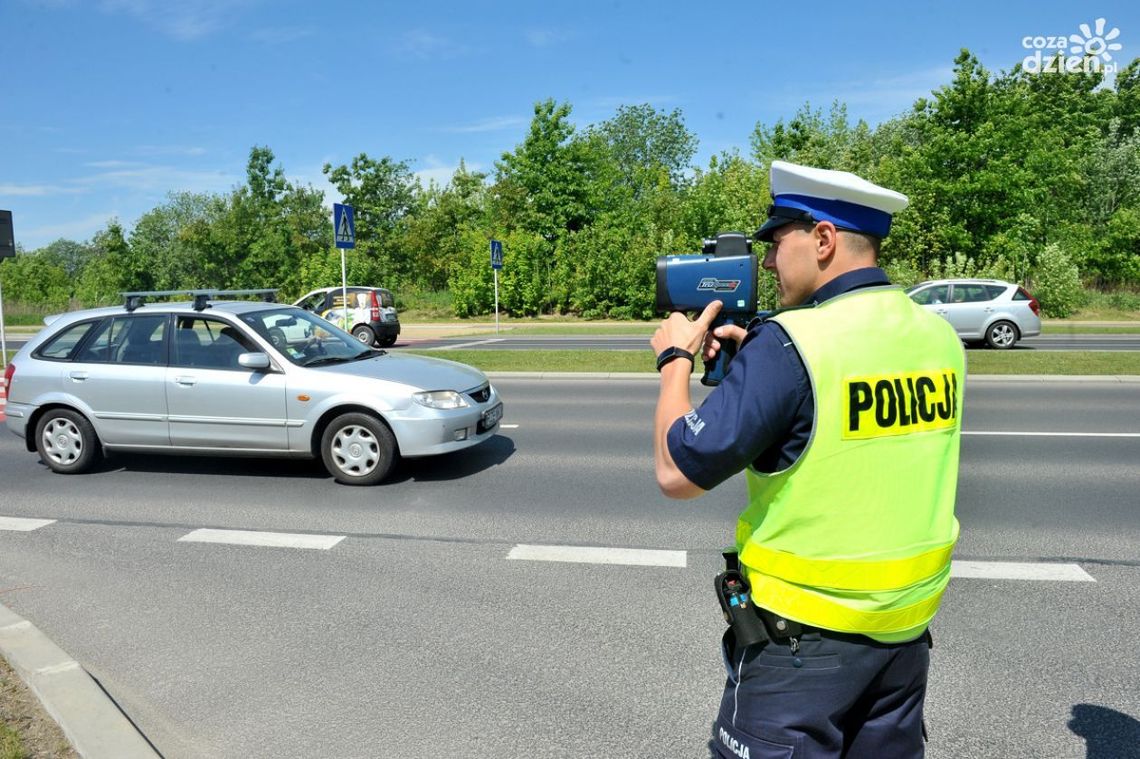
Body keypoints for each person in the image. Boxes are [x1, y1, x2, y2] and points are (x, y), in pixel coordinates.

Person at [651, 160, 965, 758]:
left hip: (801, 646)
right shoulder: (937, 336)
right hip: (903, 638)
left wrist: (674, 362)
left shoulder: (793, 343)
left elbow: (677, 471)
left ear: (822, 239)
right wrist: (761, 368)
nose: (767, 261)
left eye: (777, 240)